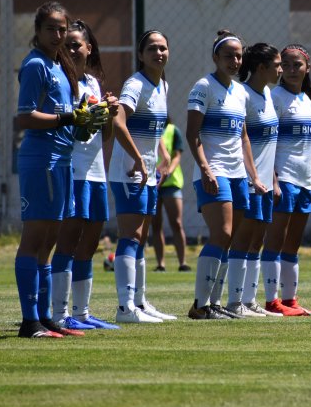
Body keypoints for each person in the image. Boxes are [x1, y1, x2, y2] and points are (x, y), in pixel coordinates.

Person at [14, 1, 113, 339]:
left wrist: (87, 120)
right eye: (51, 29)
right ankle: (30, 322)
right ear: (38, 32)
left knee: (49, 243)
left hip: (62, 161)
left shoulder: (61, 67)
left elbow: (71, 122)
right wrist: (69, 118)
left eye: (61, 28)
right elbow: (24, 117)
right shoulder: (36, 66)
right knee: (34, 240)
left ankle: (45, 318)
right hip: (41, 161)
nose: (57, 35)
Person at [186, 30, 264, 320]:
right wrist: (205, 168)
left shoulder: (241, 92)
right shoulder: (203, 86)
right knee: (222, 233)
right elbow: (192, 133)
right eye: (229, 55)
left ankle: (213, 303)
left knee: (230, 239)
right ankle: (199, 305)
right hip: (213, 171)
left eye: (238, 56)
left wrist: (253, 176)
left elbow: (243, 137)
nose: (234, 60)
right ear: (215, 57)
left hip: (237, 175)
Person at [49, 20, 120, 331]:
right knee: (67, 242)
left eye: (78, 44)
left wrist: (107, 112)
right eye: (68, 44)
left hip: (95, 172)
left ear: (90, 49)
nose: (72, 49)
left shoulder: (92, 83)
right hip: (72, 170)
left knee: (90, 243)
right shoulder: (59, 80)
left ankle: (81, 312)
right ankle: (57, 313)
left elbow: (103, 137)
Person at [109, 29, 174, 324]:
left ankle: (139, 301)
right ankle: (125, 308)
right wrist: (137, 157)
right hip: (129, 171)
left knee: (142, 236)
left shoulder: (163, 85)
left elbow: (153, 127)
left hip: (148, 172)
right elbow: (118, 122)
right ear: (140, 55)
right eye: (152, 49)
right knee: (130, 236)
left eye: (162, 48)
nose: (158, 53)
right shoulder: (135, 84)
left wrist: (161, 154)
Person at [261, 44, 311, 317]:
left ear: (308, 68)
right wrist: (272, 178)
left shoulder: (309, 101)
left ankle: (290, 300)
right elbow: (268, 142)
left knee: (294, 244)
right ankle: (272, 301)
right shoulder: (275, 97)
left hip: (304, 181)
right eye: (286, 64)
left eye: (298, 64)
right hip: (283, 177)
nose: (292, 69)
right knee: (275, 239)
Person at [224, 43, 283, 317]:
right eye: (277, 65)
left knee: (257, 243)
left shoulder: (268, 94)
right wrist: (252, 177)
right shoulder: (243, 95)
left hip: (266, 185)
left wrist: (273, 180)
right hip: (248, 182)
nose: (281, 70)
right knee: (242, 241)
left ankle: (249, 301)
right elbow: (238, 141)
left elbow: (268, 145)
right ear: (261, 68)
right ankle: (234, 303)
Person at [151, 116, 190, 272]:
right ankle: (161, 264)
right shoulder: (150, 128)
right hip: (152, 183)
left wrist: (168, 172)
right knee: (156, 224)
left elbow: (177, 156)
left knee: (177, 223)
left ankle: (183, 262)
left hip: (171, 184)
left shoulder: (173, 130)